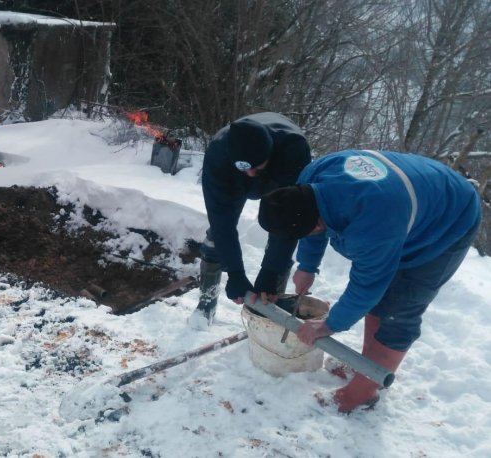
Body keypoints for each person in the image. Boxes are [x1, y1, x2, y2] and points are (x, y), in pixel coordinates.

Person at [258, 149, 481, 413]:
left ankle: (363, 392)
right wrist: (307, 266)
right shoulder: (313, 178)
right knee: (382, 297)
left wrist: (327, 325)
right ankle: (368, 367)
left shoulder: (372, 224)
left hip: (449, 221)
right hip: (411, 202)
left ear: (316, 225)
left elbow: (367, 286)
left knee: (400, 307)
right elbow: (310, 219)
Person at [195, 112, 312, 326]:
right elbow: (222, 219)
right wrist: (235, 271)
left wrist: (270, 271)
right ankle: (206, 302)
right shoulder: (218, 155)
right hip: (231, 176)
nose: (250, 174)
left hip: (279, 176)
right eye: (245, 168)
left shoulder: (294, 151)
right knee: (216, 235)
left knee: (281, 232)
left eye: (256, 168)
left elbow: (291, 220)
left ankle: (269, 311)